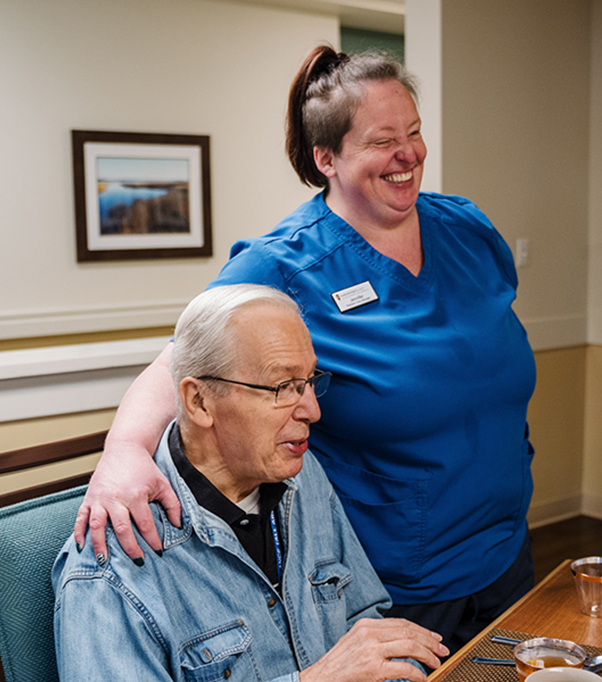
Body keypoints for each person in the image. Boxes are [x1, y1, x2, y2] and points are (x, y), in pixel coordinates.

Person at [74, 46, 537, 655]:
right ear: (327, 158)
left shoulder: (467, 229)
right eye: (381, 141)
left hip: (507, 553)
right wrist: (123, 451)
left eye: (415, 133)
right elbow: (181, 364)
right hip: (397, 584)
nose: (409, 154)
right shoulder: (284, 263)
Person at [53, 285, 448, 682]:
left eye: (310, 381)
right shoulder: (109, 565)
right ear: (200, 403)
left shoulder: (300, 471)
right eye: (282, 388)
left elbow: (372, 626)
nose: (313, 410)